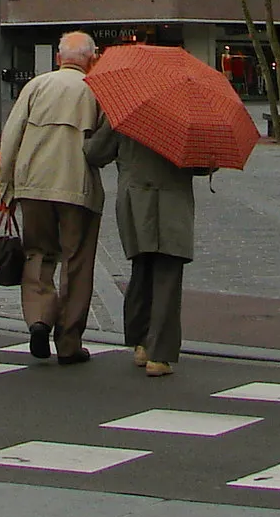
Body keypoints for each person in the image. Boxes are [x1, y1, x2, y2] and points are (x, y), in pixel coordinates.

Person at [0, 32, 105, 365]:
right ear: (92, 59)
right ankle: (69, 342)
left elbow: (11, 136)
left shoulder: (36, 86)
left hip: (34, 186)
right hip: (77, 187)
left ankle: (39, 318)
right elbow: (101, 147)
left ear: (59, 59)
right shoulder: (97, 91)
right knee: (77, 262)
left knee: (38, 253)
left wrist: (6, 187)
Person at [86, 113, 208, 377]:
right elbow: (204, 165)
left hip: (134, 198)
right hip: (172, 200)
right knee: (167, 274)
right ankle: (159, 355)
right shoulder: (185, 113)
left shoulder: (127, 109)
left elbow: (96, 153)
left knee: (141, 268)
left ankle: (141, 343)